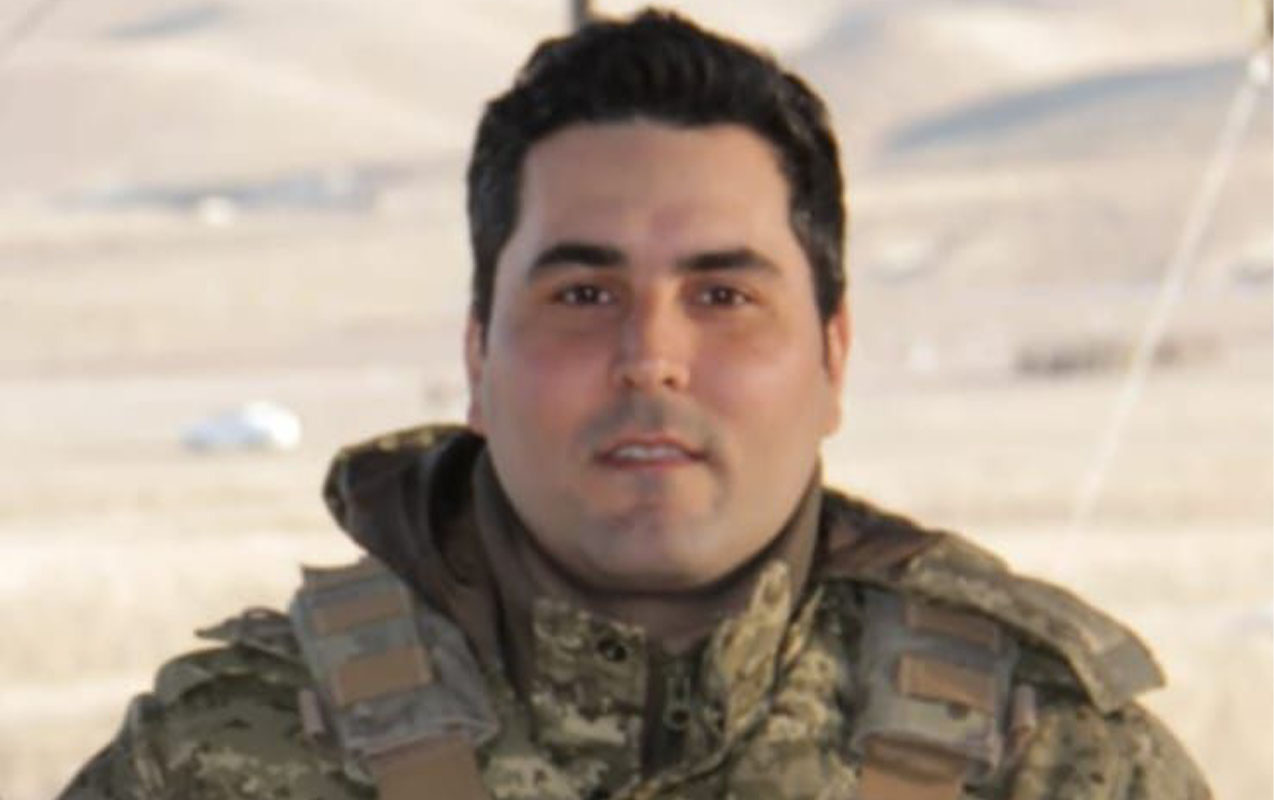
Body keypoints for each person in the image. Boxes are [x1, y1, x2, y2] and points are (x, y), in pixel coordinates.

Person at [59, 10, 1212, 800]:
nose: (649, 357)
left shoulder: (1053, 759)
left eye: (721, 294)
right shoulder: (223, 754)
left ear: (832, 354)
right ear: (476, 354)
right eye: (582, 293)